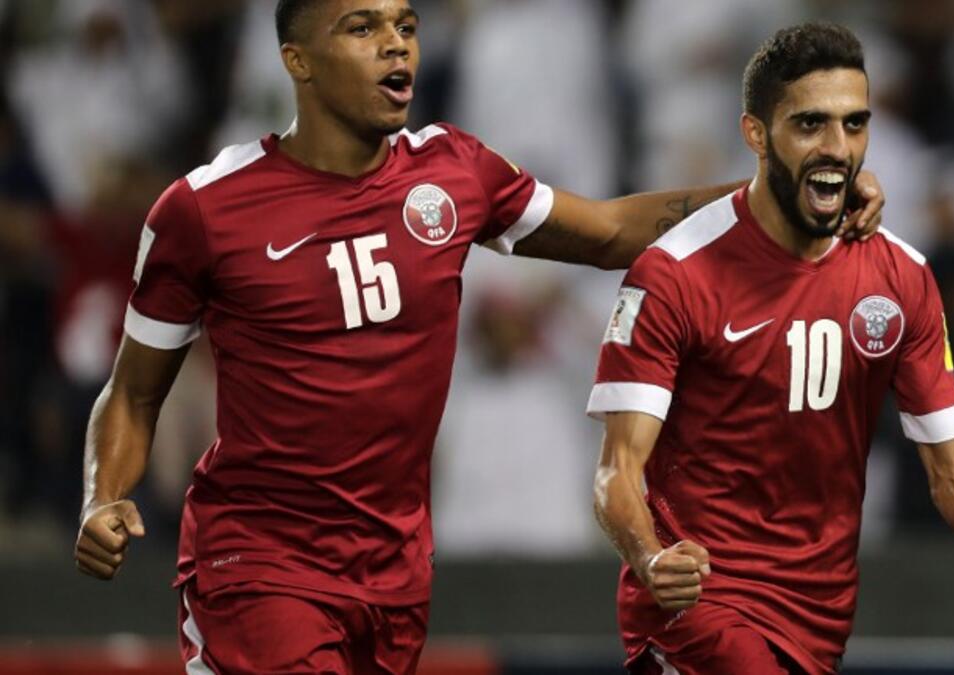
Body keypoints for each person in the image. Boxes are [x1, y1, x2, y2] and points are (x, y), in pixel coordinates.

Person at [70, 1, 887, 673]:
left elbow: (606, 231)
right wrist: (105, 493)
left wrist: (782, 197)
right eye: (362, 27)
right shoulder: (204, 210)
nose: (396, 42)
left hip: (393, 575)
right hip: (259, 567)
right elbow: (133, 391)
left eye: (406, 23)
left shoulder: (452, 172)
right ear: (298, 60)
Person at [589, 22, 954, 675]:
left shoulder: (901, 279)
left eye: (854, 124)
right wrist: (650, 556)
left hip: (818, 618)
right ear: (756, 134)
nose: (838, 147)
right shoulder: (675, 274)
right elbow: (617, 470)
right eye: (810, 125)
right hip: (700, 608)